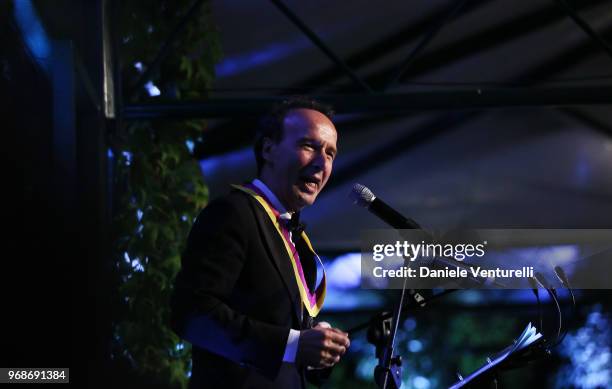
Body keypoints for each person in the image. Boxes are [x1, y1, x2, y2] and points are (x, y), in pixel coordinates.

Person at [171, 97, 351, 389]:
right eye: (310, 146)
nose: (322, 162)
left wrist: (316, 344)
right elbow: (191, 312)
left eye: (330, 153)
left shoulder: (295, 237)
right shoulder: (232, 213)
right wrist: (291, 344)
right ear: (268, 149)